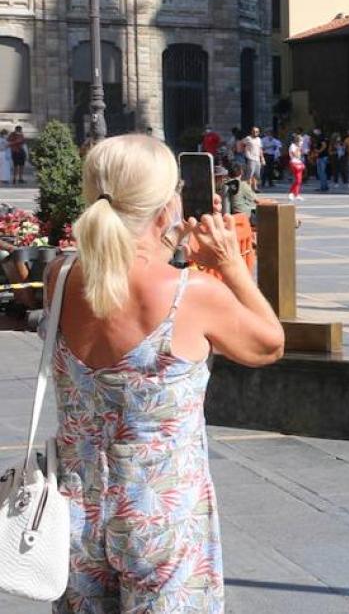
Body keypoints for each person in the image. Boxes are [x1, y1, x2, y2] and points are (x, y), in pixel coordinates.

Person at [44, 134, 283, 613]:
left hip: (76, 511)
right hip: (162, 514)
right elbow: (267, 344)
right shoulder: (190, 294)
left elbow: (122, 275)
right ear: (166, 205)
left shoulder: (61, 278)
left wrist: (171, 239)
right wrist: (229, 263)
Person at [241, 126, 264, 191]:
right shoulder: (248, 138)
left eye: (257, 131)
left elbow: (260, 149)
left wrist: (262, 158)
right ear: (251, 131)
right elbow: (241, 144)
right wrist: (245, 151)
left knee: (256, 174)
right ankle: (248, 188)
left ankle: (255, 187)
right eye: (254, 131)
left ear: (258, 132)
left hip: (257, 158)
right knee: (250, 174)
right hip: (250, 158)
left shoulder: (259, 139)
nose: (255, 133)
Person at [287, 132, 305, 201]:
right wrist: (299, 148)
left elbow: (300, 156)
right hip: (294, 163)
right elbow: (296, 155)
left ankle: (296, 194)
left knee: (299, 180)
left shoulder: (297, 146)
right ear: (297, 141)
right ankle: (291, 193)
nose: (302, 142)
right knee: (297, 180)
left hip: (299, 163)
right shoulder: (293, 146)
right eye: (301, 141)